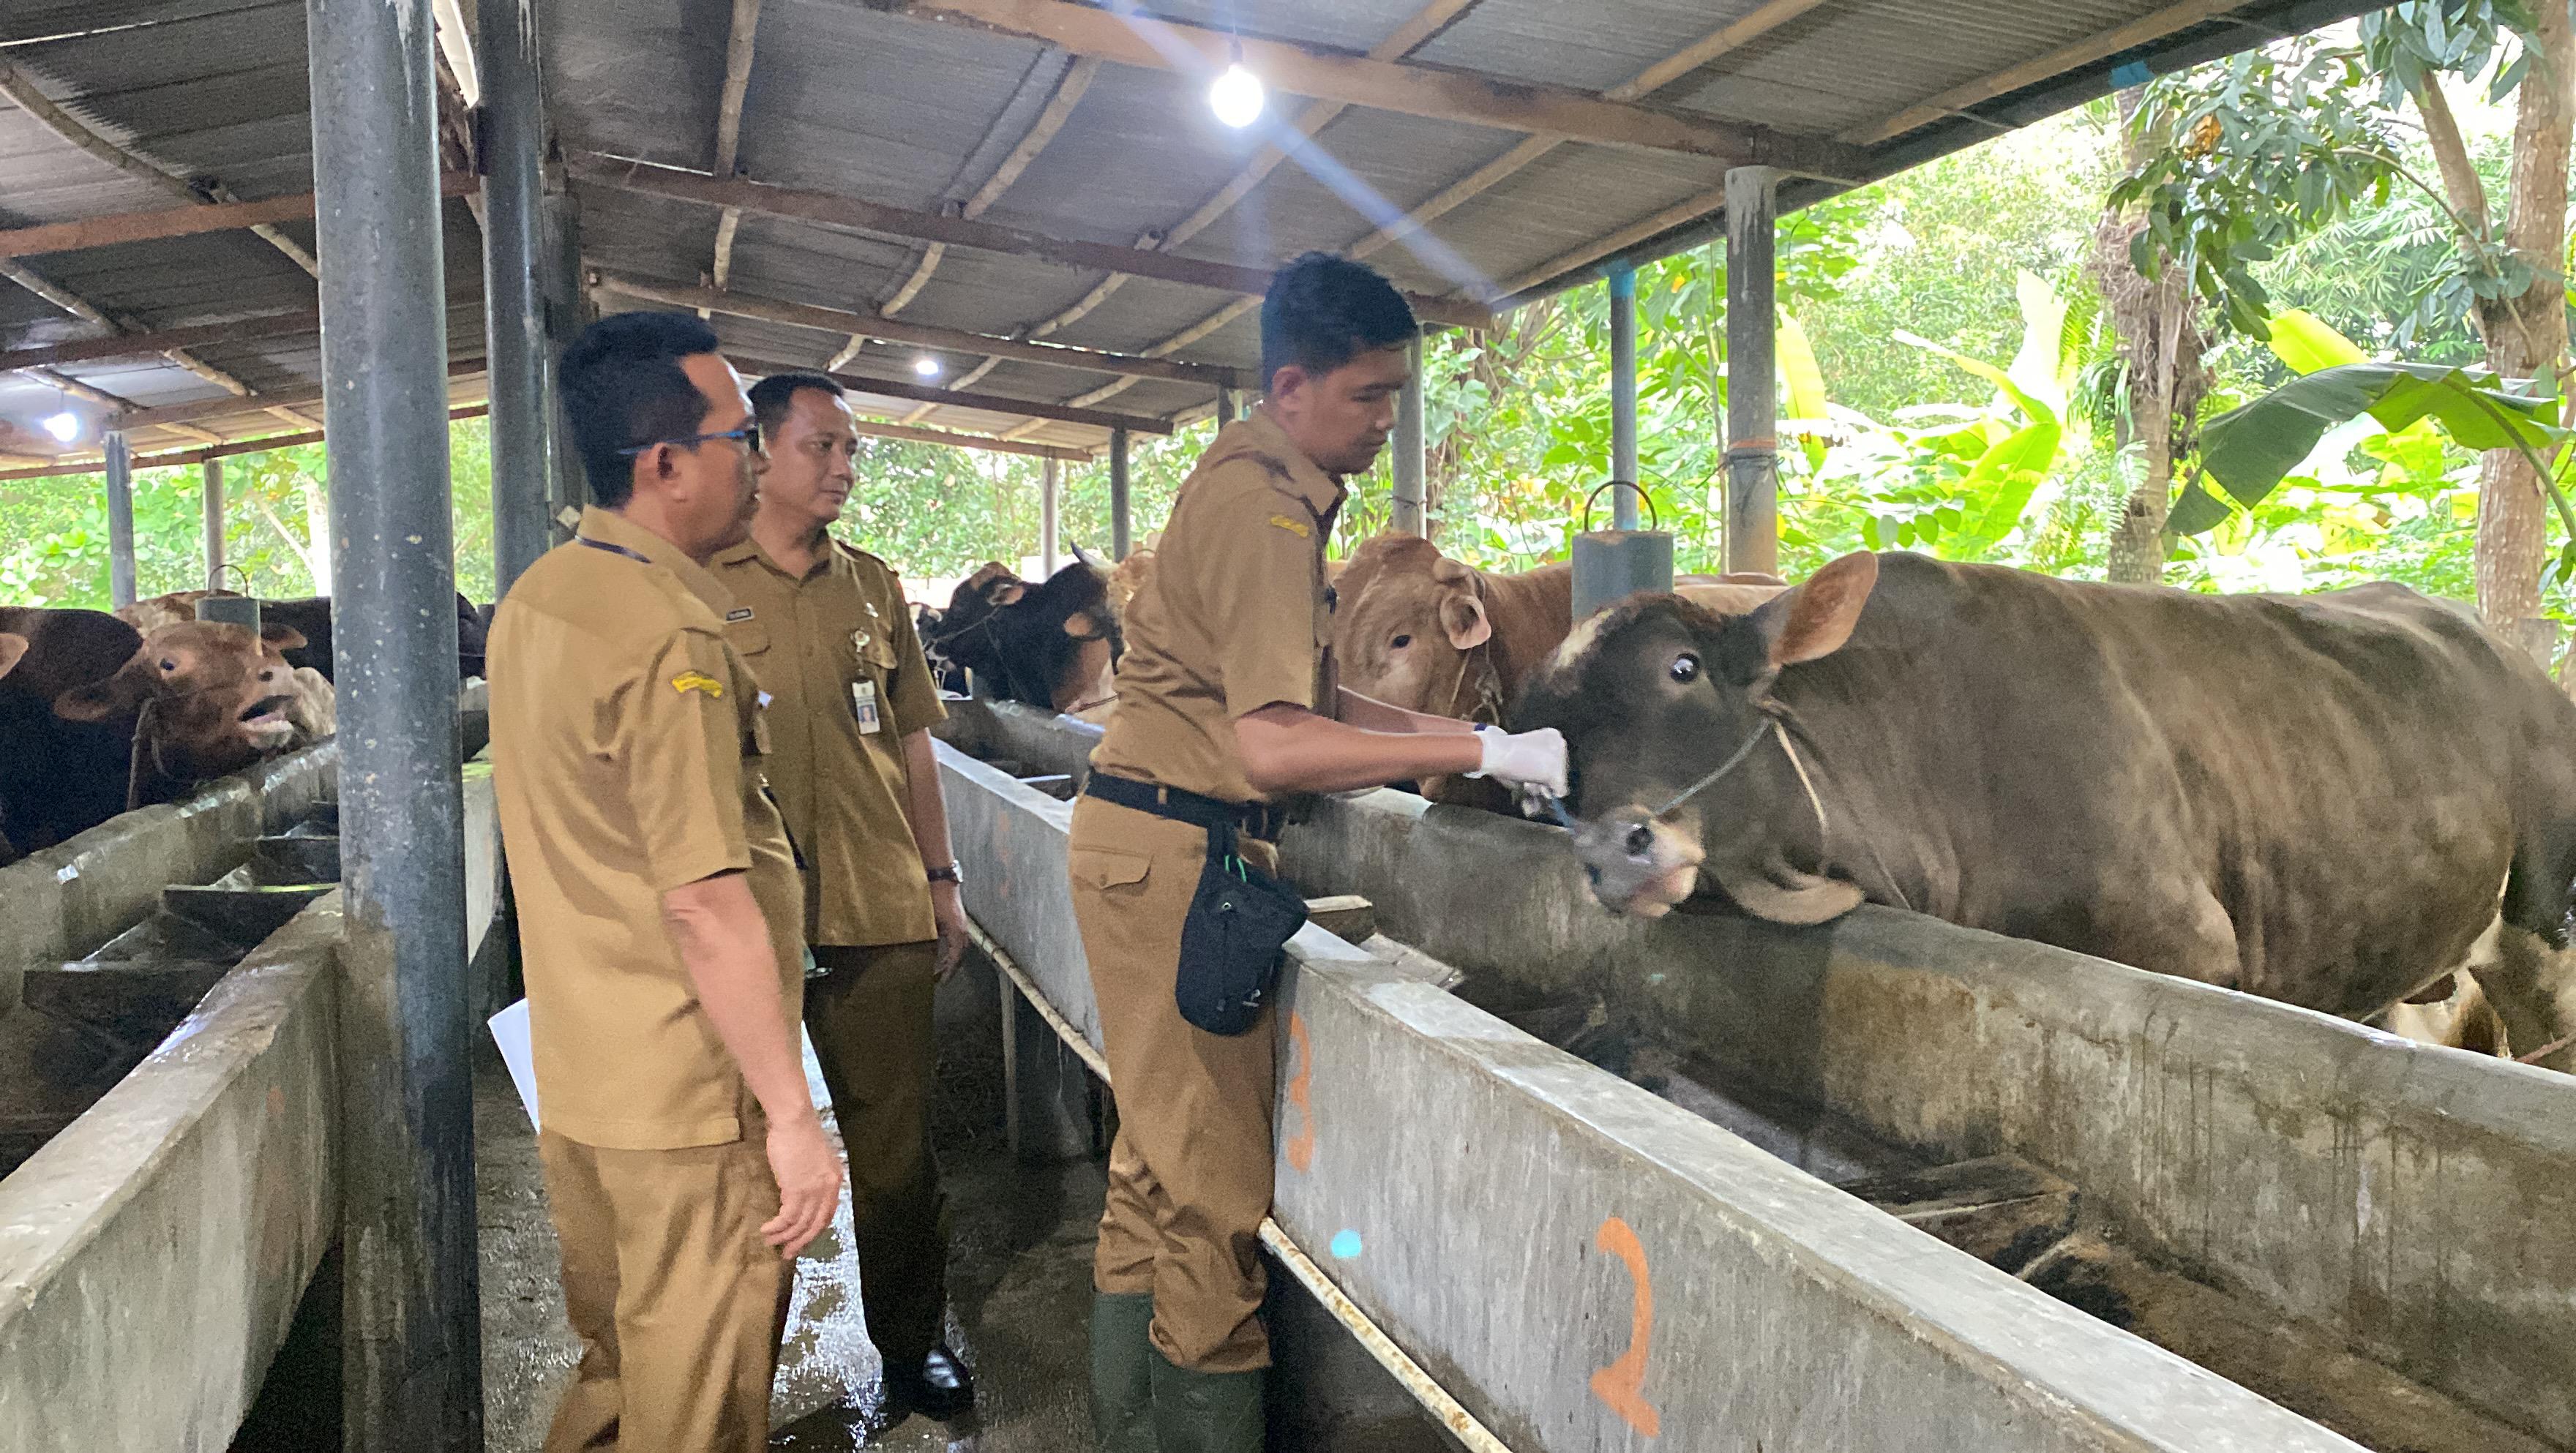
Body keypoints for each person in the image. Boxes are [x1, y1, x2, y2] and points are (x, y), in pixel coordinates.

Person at [1070, 253, 1566, 1452]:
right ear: (1291, 385)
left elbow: (1324, 704)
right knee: (1216, 1197)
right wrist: (1478, 755)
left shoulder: (1262, 489)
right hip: (1181, 858)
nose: (1388, 419)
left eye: (1398, 394)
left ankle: (1124, 1428)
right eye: (1368, 395)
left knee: (1153, 1157)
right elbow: (1278, 744)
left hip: (1151, 843)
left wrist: (1484, 745)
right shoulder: (1267, 508)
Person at [487, 312, 842, 1453]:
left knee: (617, 1373)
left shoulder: (541, 599)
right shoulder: (667, 635)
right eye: (743, 433)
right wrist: (791, 1116)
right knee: (696, 1403)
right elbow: (701, 897)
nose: (755, 458)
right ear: (667, 464)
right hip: (688, 1102)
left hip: (583, 1078)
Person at [710, 372, 976, 1419]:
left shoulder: (875, 588)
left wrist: (941, 879)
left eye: (853, 450)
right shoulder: (697, 585)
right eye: (823, 446)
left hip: (877, 908)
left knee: (899, 1154)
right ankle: (739, 1372)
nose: (844, 468)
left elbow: (913, 744)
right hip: (749, 925)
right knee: (745, 1163)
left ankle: (911, 1346)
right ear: (761, 452)